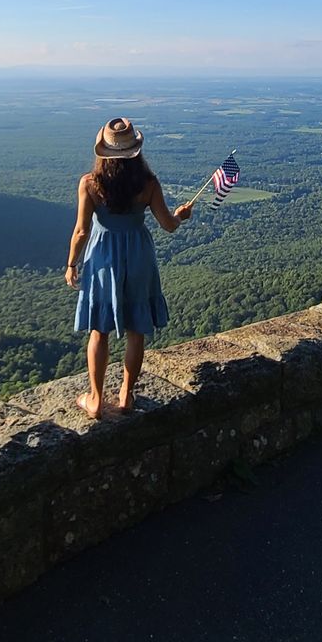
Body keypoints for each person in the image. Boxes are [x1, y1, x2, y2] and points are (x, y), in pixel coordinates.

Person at [65, 117, 193, 419]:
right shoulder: (148, 184)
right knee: (137, 329)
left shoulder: (90, 184)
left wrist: (72, 263)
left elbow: (82, 230)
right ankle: (126, 395)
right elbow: (168, 225)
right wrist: (180, 216)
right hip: (138, 256)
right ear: (136, 151)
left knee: (99, 331)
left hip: (102, 257)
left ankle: (95, 400)